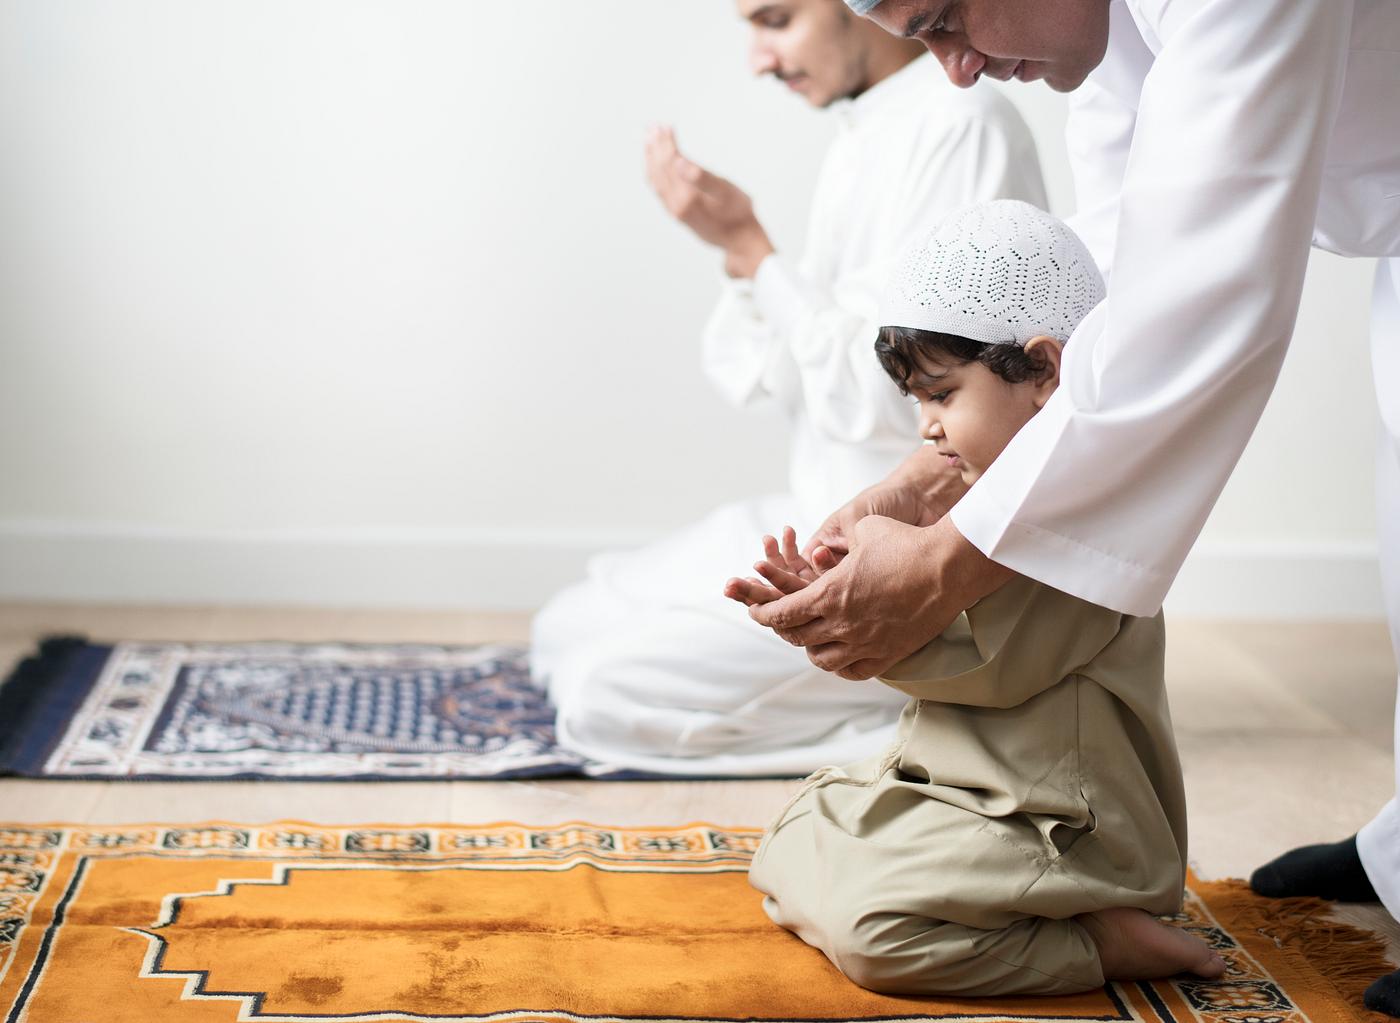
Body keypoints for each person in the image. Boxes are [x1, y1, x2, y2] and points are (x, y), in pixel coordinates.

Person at [732, 0, 1400, 1007]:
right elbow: (1108, 275)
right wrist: (913, 499)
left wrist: (913, 583)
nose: (953, 70)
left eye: (945, 18)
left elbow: (1190, 304)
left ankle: (1098, 922)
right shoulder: (1107, 31)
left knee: (873, 914)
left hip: (1061, 813)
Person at [529, 0, 1047, 776]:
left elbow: (903, 396)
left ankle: (940, 724)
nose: (759, 60)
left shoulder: (962, 127)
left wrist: (753, 249)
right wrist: (744, 260)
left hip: (899, 545)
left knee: (601, 698)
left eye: (776, 20)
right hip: (814, 513)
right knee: (564, 628)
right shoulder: (864, 134)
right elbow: (775, 371)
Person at [738, 201, 1224, 996]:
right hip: (959, 786)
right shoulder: (984, 496)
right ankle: (992, 894)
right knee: (788, 841)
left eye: (943, 394)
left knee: (874, 932)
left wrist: (864, 618)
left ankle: (1096, 938)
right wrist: (838, 593)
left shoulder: (1074, 517)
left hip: (1062, 820)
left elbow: (991, 671)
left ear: (1044, 372)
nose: (926, 428)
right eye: (918, 402)